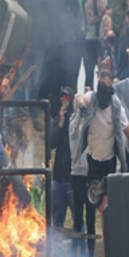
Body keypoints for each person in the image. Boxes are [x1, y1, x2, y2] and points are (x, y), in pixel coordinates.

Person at [76, 70, 129, 182]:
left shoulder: (117, 110)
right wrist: (81, 105)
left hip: (109, 162)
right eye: (100, 84)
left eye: (104, 85)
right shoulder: (93, 98)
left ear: (110, 90)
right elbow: (80, 98)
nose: (101, 88)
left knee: (107, 196)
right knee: (93, 195)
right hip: (92, 159)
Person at [43, 0, 82, 114]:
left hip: (68, 50)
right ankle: (54, 117)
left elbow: (78, 19)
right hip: (54, 52)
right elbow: (46, 25)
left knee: (69, 86)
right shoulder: (51, 1)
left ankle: (69, 116)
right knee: (54, 88)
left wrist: (72, 34)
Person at [17, 0, 48, 106]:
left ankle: (33, 111)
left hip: (39, 40)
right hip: (23, 40)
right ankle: (22, 110)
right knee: (22, 79)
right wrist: (25, 41)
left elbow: (45, 15)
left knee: (36, 80)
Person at [69, 96, 95, 257]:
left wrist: (88, 114)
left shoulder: (91, 120)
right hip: (76, 173)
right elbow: (75, 134)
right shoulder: (73, 121)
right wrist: (79, 114)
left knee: (91, 217)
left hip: (89, 172)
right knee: (77, 217)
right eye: (79, 106)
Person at [51, 87, 75, 228]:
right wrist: (60, 123)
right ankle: (58, 250)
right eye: (62, 98)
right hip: (58, 176)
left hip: (72, 177)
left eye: (67, 98)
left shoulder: (76, 119)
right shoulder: (57, 119)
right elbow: (52, 143)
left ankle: (80, 248)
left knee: (77, 219)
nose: (64, 101)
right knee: (57, 220)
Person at [83, 0, 107, 90]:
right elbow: (89, 20)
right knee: (88, 72)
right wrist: (100, 17)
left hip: (101, 38)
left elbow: (103, 10)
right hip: (90, 39)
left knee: (103, 72)